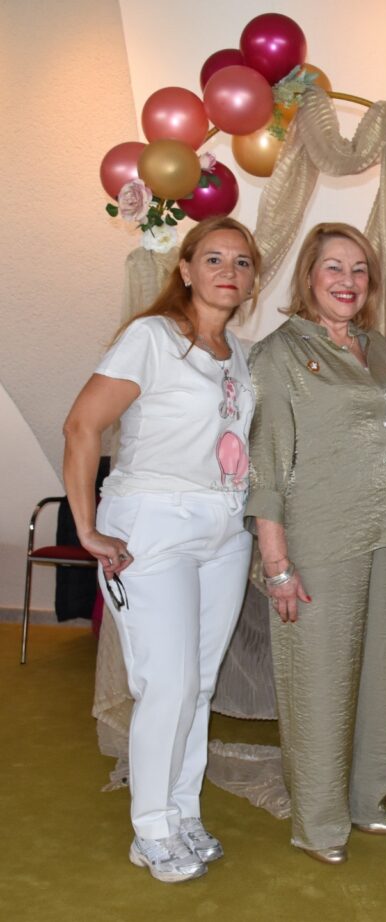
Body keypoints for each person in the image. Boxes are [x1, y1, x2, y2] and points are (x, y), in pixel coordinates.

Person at [63, 216, 262, 883]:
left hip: (223, 530)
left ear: (252, 279)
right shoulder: (151, 338)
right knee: (167, 684)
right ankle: (150, 830)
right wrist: (86, 528)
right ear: (186, 269)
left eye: (241, 262)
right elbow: (82, 425)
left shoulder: (237, 353)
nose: (228, 271)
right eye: (214, 259)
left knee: (197, 685)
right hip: (152, 523)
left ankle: (181, 812)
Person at [245, 223, 386, 865]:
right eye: (334, 267)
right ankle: (317, 823)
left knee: (381, 675)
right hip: (316, 540)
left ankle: (366, 799)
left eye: (359, 269)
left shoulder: (378, 347)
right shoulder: (279, 353)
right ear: (309, 277)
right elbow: (264, 463)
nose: (348, 281)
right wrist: (276, 563)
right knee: (317, 682)